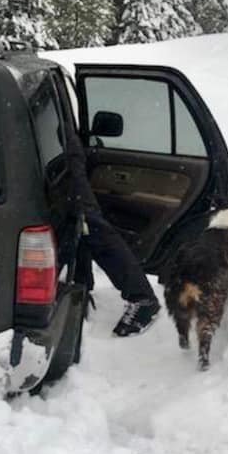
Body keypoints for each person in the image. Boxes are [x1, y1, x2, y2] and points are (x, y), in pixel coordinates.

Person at [63, 119, 160, 337]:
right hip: (62, 159)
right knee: (82, 228)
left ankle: (142, 299)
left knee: (91, 226)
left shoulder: (36, 95)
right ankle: (82, 287)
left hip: (64, 164)